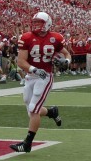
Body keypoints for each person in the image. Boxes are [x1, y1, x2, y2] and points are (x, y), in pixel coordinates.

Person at [9, 12, 71, 154]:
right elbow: (21, 61)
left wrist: (66, 61)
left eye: (39, 22)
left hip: (45, 77)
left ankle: (27, 143)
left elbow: (67, 54)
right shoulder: (26, 37)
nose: (36, 25)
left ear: (47, 23)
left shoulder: (56, 38)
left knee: (34, 109)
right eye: (35, 22)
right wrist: (34, 70)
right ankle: (51, 112)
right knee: (30, 107)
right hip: (31, 76)